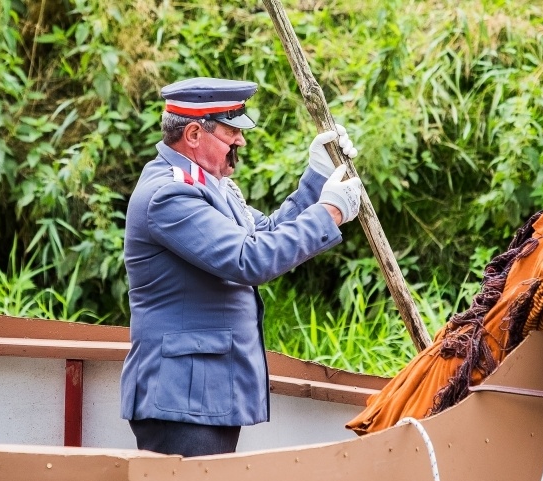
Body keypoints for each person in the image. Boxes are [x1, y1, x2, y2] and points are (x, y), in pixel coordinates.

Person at [120, 77, 363, 457]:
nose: (241, 141)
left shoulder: (209, 185)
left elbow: (264, 231)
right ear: (196, 134)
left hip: (201, 395)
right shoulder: (169, 194)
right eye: (232, 131)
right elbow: (250, 259)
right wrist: (330, 213)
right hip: (183, 399)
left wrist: (317, 177)